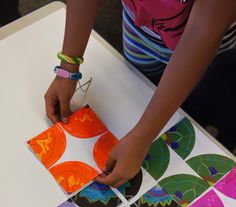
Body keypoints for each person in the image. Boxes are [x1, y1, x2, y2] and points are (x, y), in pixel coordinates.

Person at [45, 0, 236, 188]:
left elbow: (202, 31)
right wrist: (68, 68)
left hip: (208, 54)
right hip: (140, 33)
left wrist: (142, 137)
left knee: (195, 126)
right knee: (138, 91)